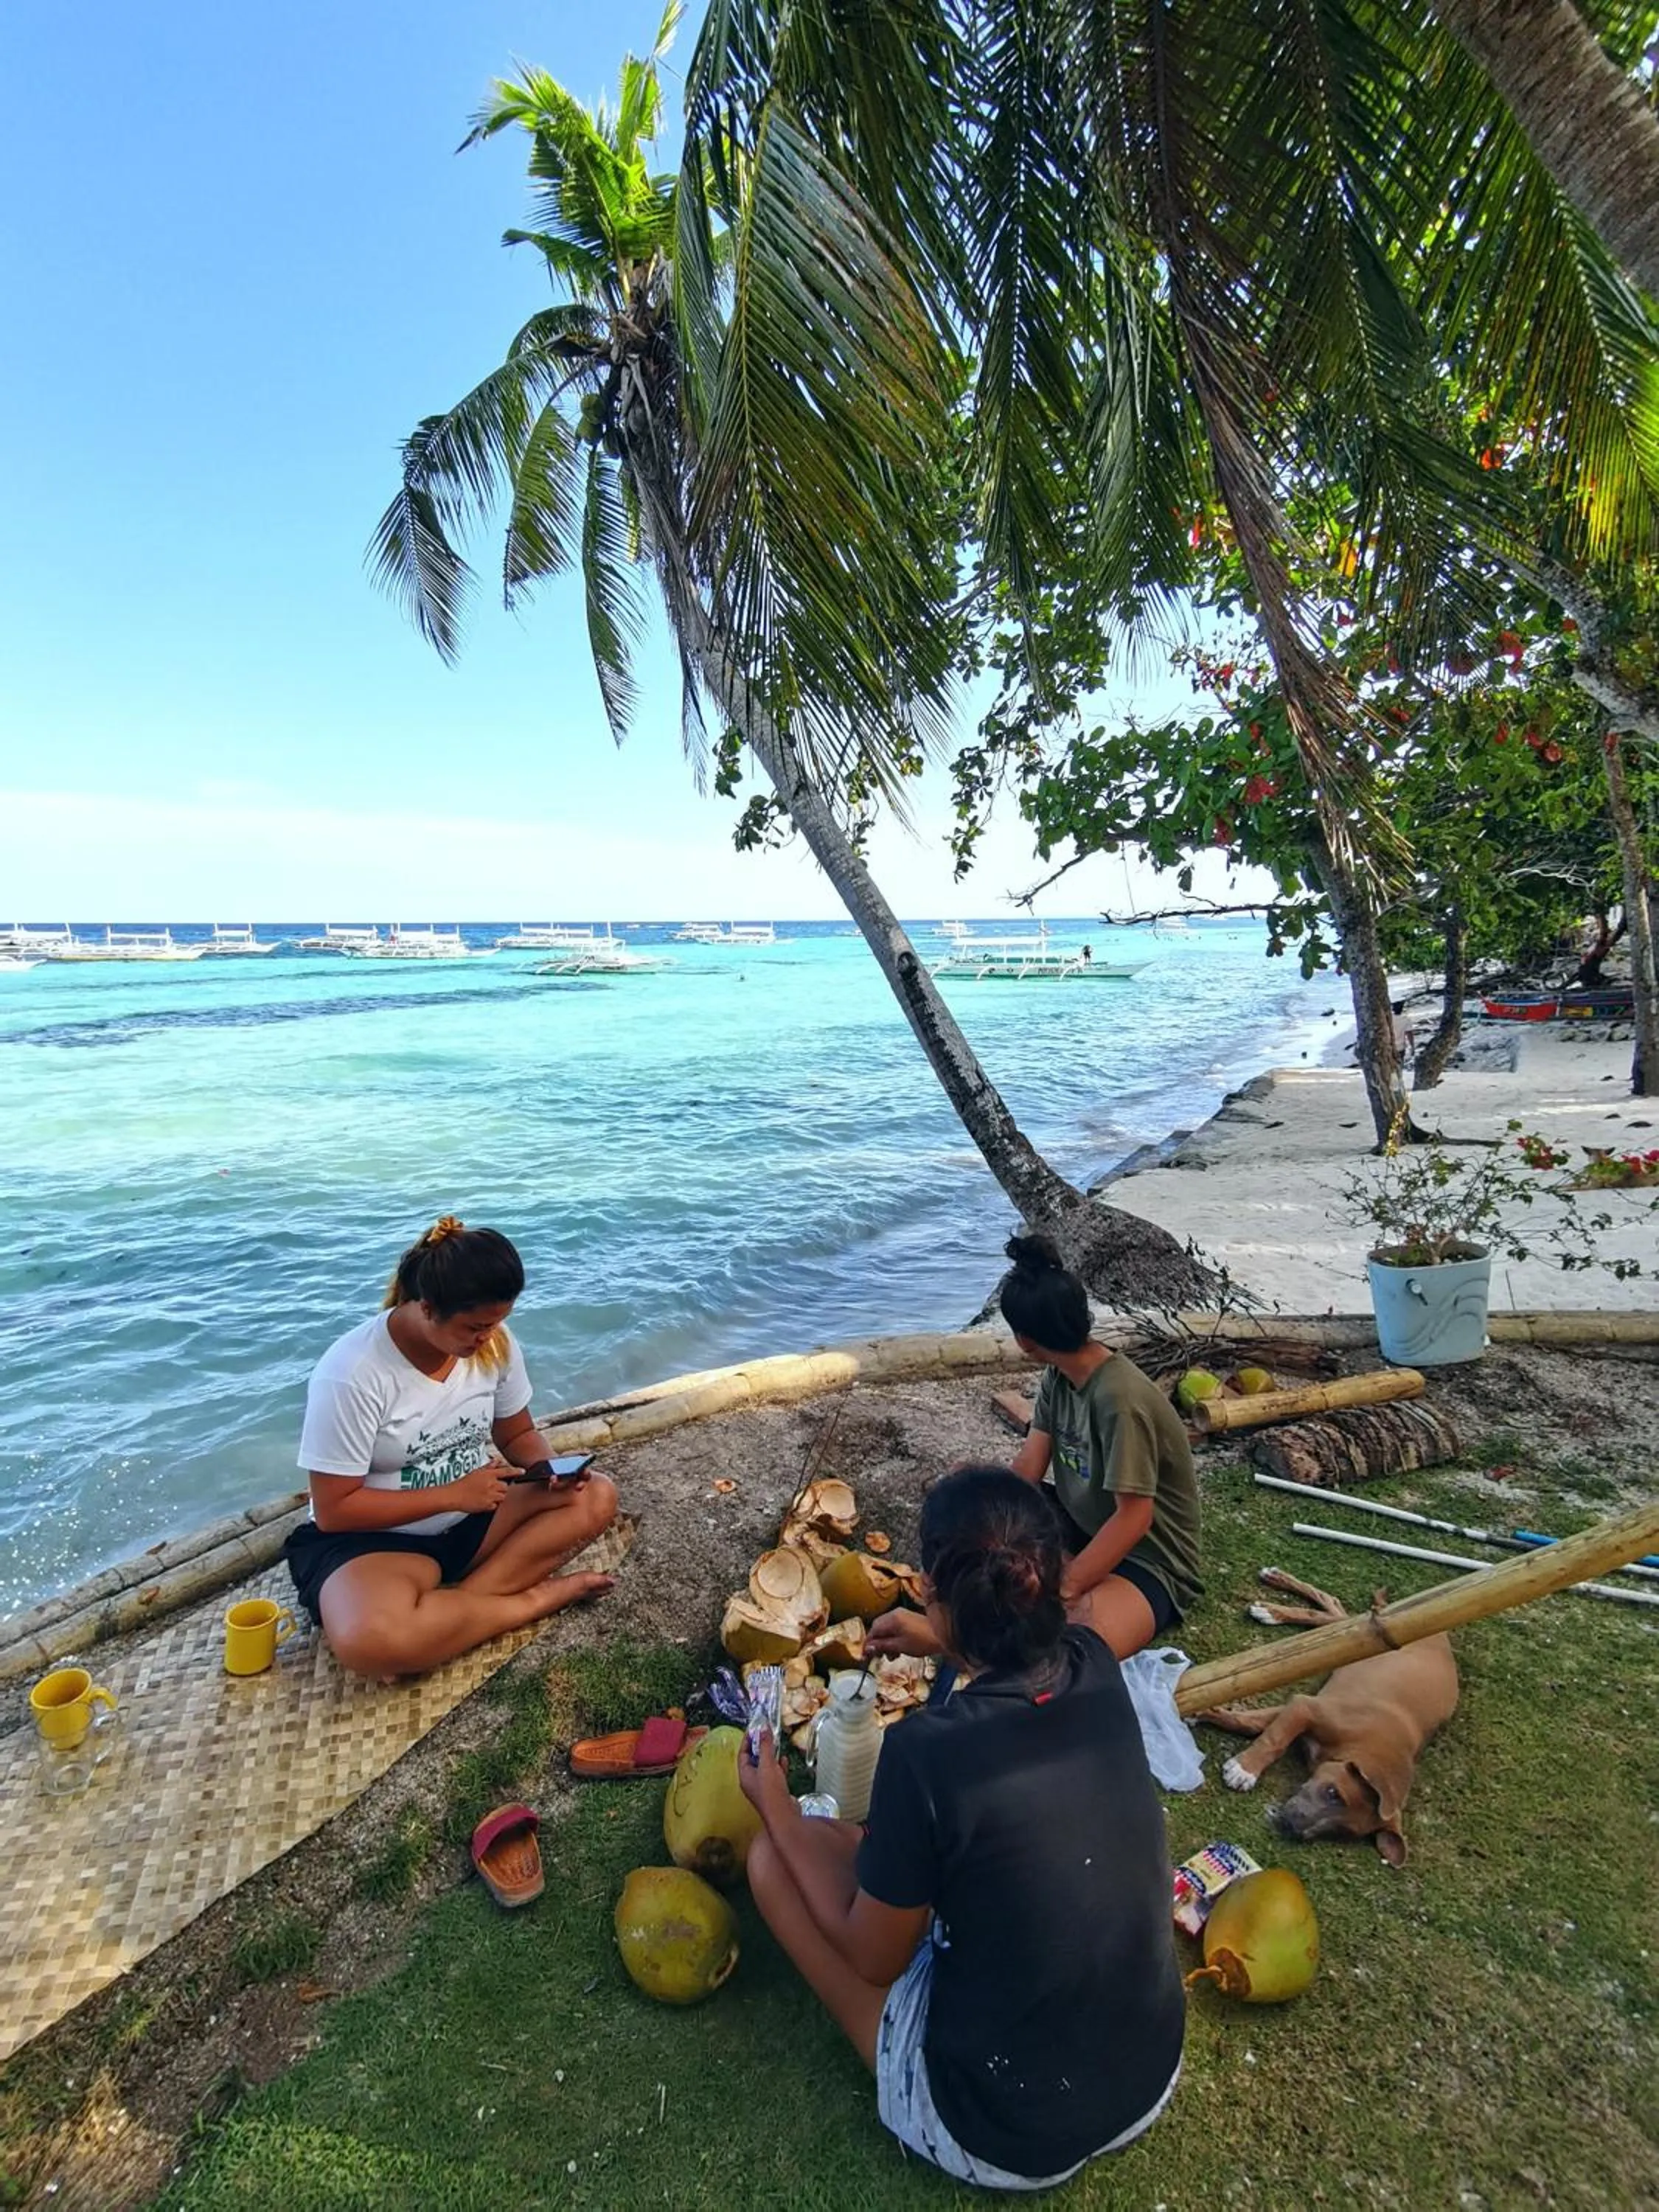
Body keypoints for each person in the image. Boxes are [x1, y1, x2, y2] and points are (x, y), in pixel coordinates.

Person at [739, 1467, 1184, 2191]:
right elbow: (1012, 1664)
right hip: (1144, 2075)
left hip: (1004, 2131)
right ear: (1049, 1574)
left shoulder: (927, 1753)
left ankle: (915, 2077)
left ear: (934, 1591)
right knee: (865, 1852)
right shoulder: (1093, 1659)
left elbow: (872, 1958)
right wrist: (943, 1640)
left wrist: (776, 1809)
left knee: (773, 1862)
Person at [286, 1217, 617, 1677]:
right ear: (426, 1308)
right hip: (377, 1544)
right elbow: (334, 1510)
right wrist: (452, 1495)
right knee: (372, 1643)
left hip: (474, 1517)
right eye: (474, 1327)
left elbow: (516, 1434)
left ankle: (456, 1610)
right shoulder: (353, 1373)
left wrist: (547, 1465)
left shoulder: (492, 1344)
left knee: (595, 1495)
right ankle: (535, 1600)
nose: (487, 1337)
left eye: (498, 1321)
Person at [874, 1234, 1200, 1665]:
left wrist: (1067, 1585)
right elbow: (1029, 1468)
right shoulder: (1059, 1378)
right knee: (964, 1492)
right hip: (1079, 1528)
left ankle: (948, 1637)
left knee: (1064, 1649)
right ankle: (969, 1613)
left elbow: (1135, 1517)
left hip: (1149, 1560)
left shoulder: (1119, 1401)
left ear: (1025, 1339)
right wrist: (973, 1502)